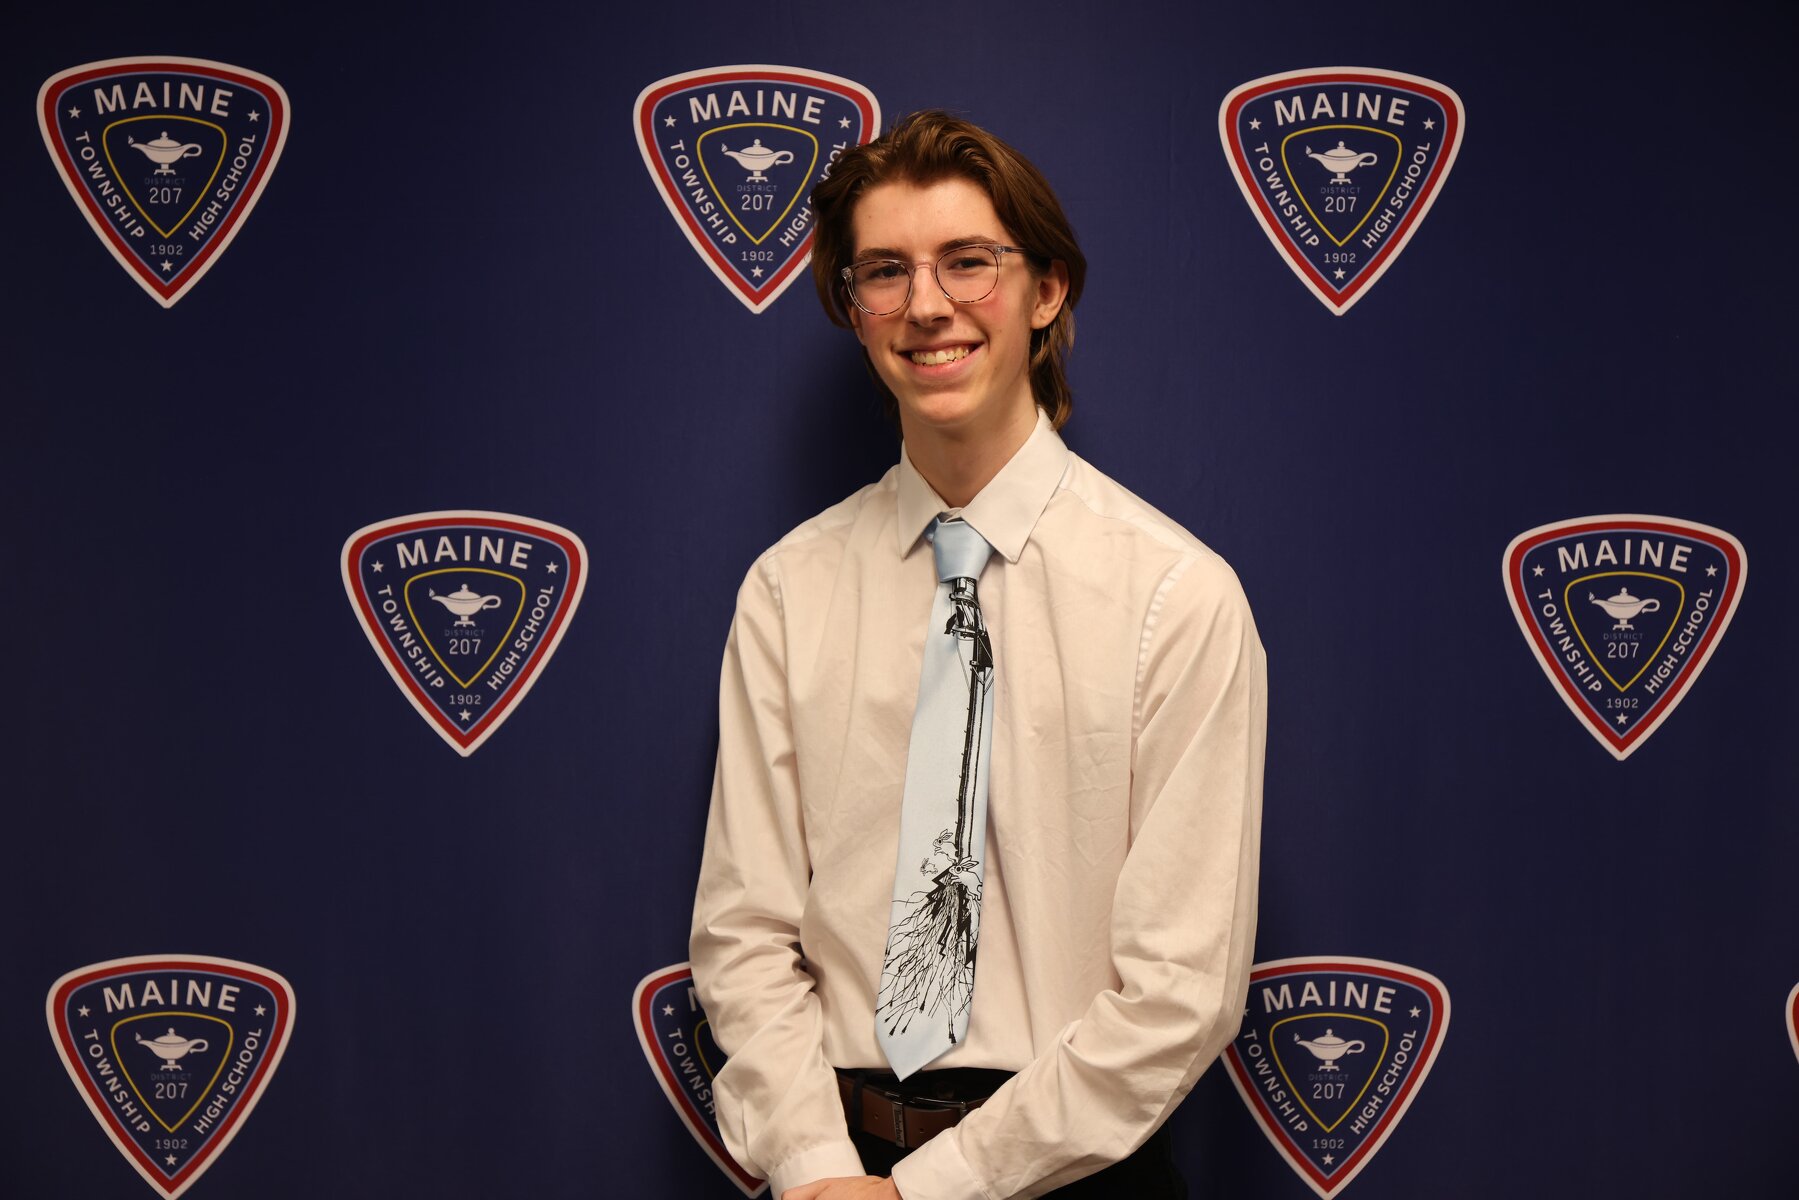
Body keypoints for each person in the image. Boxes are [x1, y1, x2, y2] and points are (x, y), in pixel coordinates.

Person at [690, 110, 1266, 1200]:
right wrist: (819, 1168)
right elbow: (744, 929)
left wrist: (935, 1188)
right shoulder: (788, 591)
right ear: (852, 308)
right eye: (884, 271)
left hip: (1071, 1177)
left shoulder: (1174, 597)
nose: (925, 305)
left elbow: (1179, 988)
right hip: (833, 1172)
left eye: (967, 261)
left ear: (1046, 290)